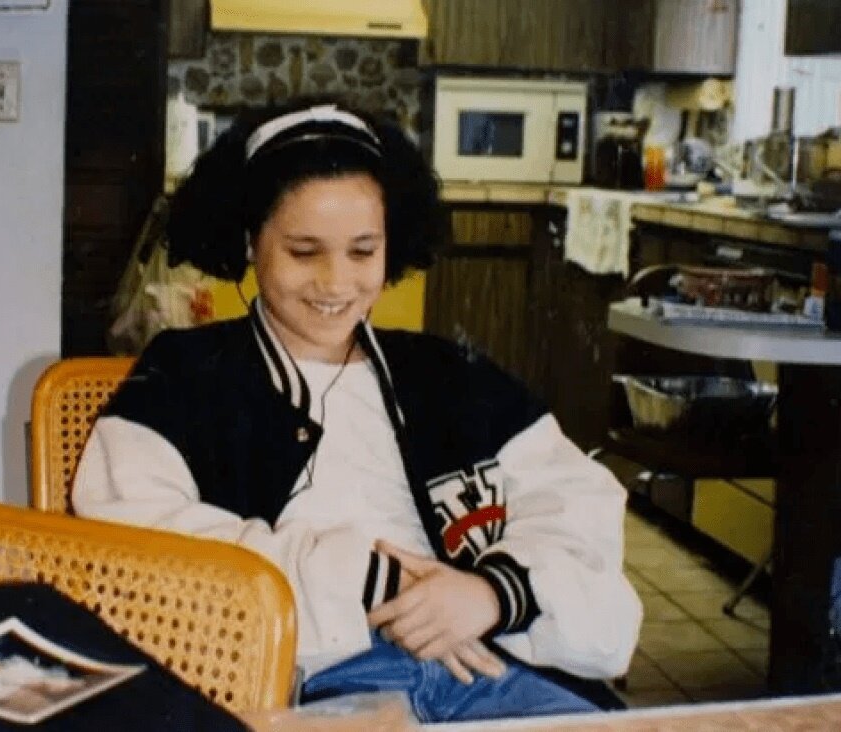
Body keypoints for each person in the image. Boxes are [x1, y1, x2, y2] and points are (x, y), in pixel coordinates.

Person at [72, 100, 643, 723]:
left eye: (363, 251)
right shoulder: (183, 374)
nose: (336, 282)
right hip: (307, 684)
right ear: (249, 241)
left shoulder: (449, 373)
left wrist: (493, 593)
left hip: (492, 671)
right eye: (304, 251)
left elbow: (576, 501)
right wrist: (369, 581)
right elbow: (136, 540)